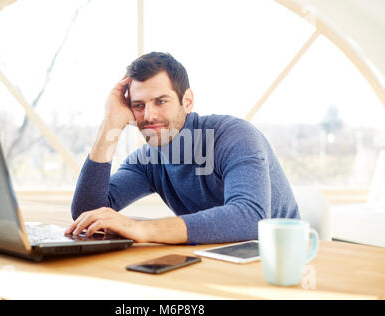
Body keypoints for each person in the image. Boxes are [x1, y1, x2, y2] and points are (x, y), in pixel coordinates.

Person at [66, 52, 299, 244]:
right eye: (139, 105)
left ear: (186, 101)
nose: (148, 116)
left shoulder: (234, 136)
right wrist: (110, 123)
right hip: (210, 260)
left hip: (278, 260)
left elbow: (250, 218)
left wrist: (142, 229)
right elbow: (88, 214)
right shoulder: (146, 161)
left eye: (161, 101)